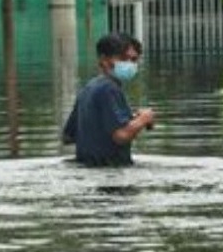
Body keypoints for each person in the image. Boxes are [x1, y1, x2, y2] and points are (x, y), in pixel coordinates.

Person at [62, 32, 155, 166]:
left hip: (87, 172)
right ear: (104, 60)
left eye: (134, 60)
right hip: (109, 169)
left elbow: (68, 137)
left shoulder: (88, 88)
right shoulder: (109, 88)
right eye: (123, 58)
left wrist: (131, 119)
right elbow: (121, 136)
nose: (129, 64)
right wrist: (143, 119)